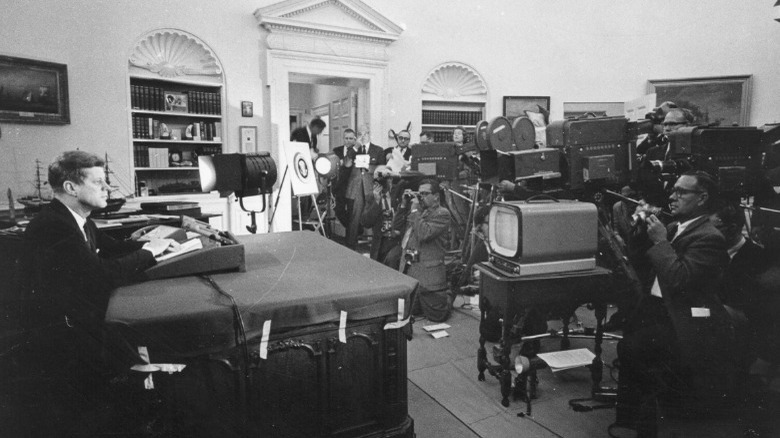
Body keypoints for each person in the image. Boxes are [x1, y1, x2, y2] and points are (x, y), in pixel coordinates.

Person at [18, 151, 177, 435]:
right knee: (146, 350)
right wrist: (148, 253)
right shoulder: (54, 226)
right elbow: (100, 275)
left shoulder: (77, 219)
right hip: (61, 336)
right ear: (71, 188)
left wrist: (142, 241)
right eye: (99, 182)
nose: (108, 188)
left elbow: (110, 246)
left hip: (77, 321)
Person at [614, 171, 735, 438]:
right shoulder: (674, 228)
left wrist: (660, 241)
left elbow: (679, 280)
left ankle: (648, 421)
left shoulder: (709, 237)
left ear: (702, 198)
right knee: (629, 342)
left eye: (681, 192)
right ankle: (630, 418)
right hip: (658, 309)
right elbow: (641, 261)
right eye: (673, 190)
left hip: (685, 318)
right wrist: (639, 228)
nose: (672, 196)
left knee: (636, 350)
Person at [394, 178, 452, 322]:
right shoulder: (419, 212)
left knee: (437, 316)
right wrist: (403, 205)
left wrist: (414, 210)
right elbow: (396, 226)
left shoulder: (442, 214)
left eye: (425, 194)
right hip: (411, 274)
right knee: (405, 312)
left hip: (429, 279)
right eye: (419, 194)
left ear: (436, 197)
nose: (421, 197)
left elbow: (424, 234)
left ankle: (450, 293)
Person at [360, 165, 401, 268]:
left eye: (384, 179)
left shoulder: (399, 194)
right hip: (380, 242)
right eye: (377, 180)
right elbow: (365, 222)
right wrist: (376, 202)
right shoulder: (371, 197)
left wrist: (390, 174)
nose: (381, 182)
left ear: (391, 179)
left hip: (396, 241)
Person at [332, 128, 359, 228]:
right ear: (343, 139)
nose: (348, 140)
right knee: (339, 210)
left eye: (351, 138)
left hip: (353, 185)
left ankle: (351, 234)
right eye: (346, 138)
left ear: (355, 139)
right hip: (340, 186)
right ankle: (352, 229)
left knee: (353, 211)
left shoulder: (359, 150)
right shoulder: (336, 151)